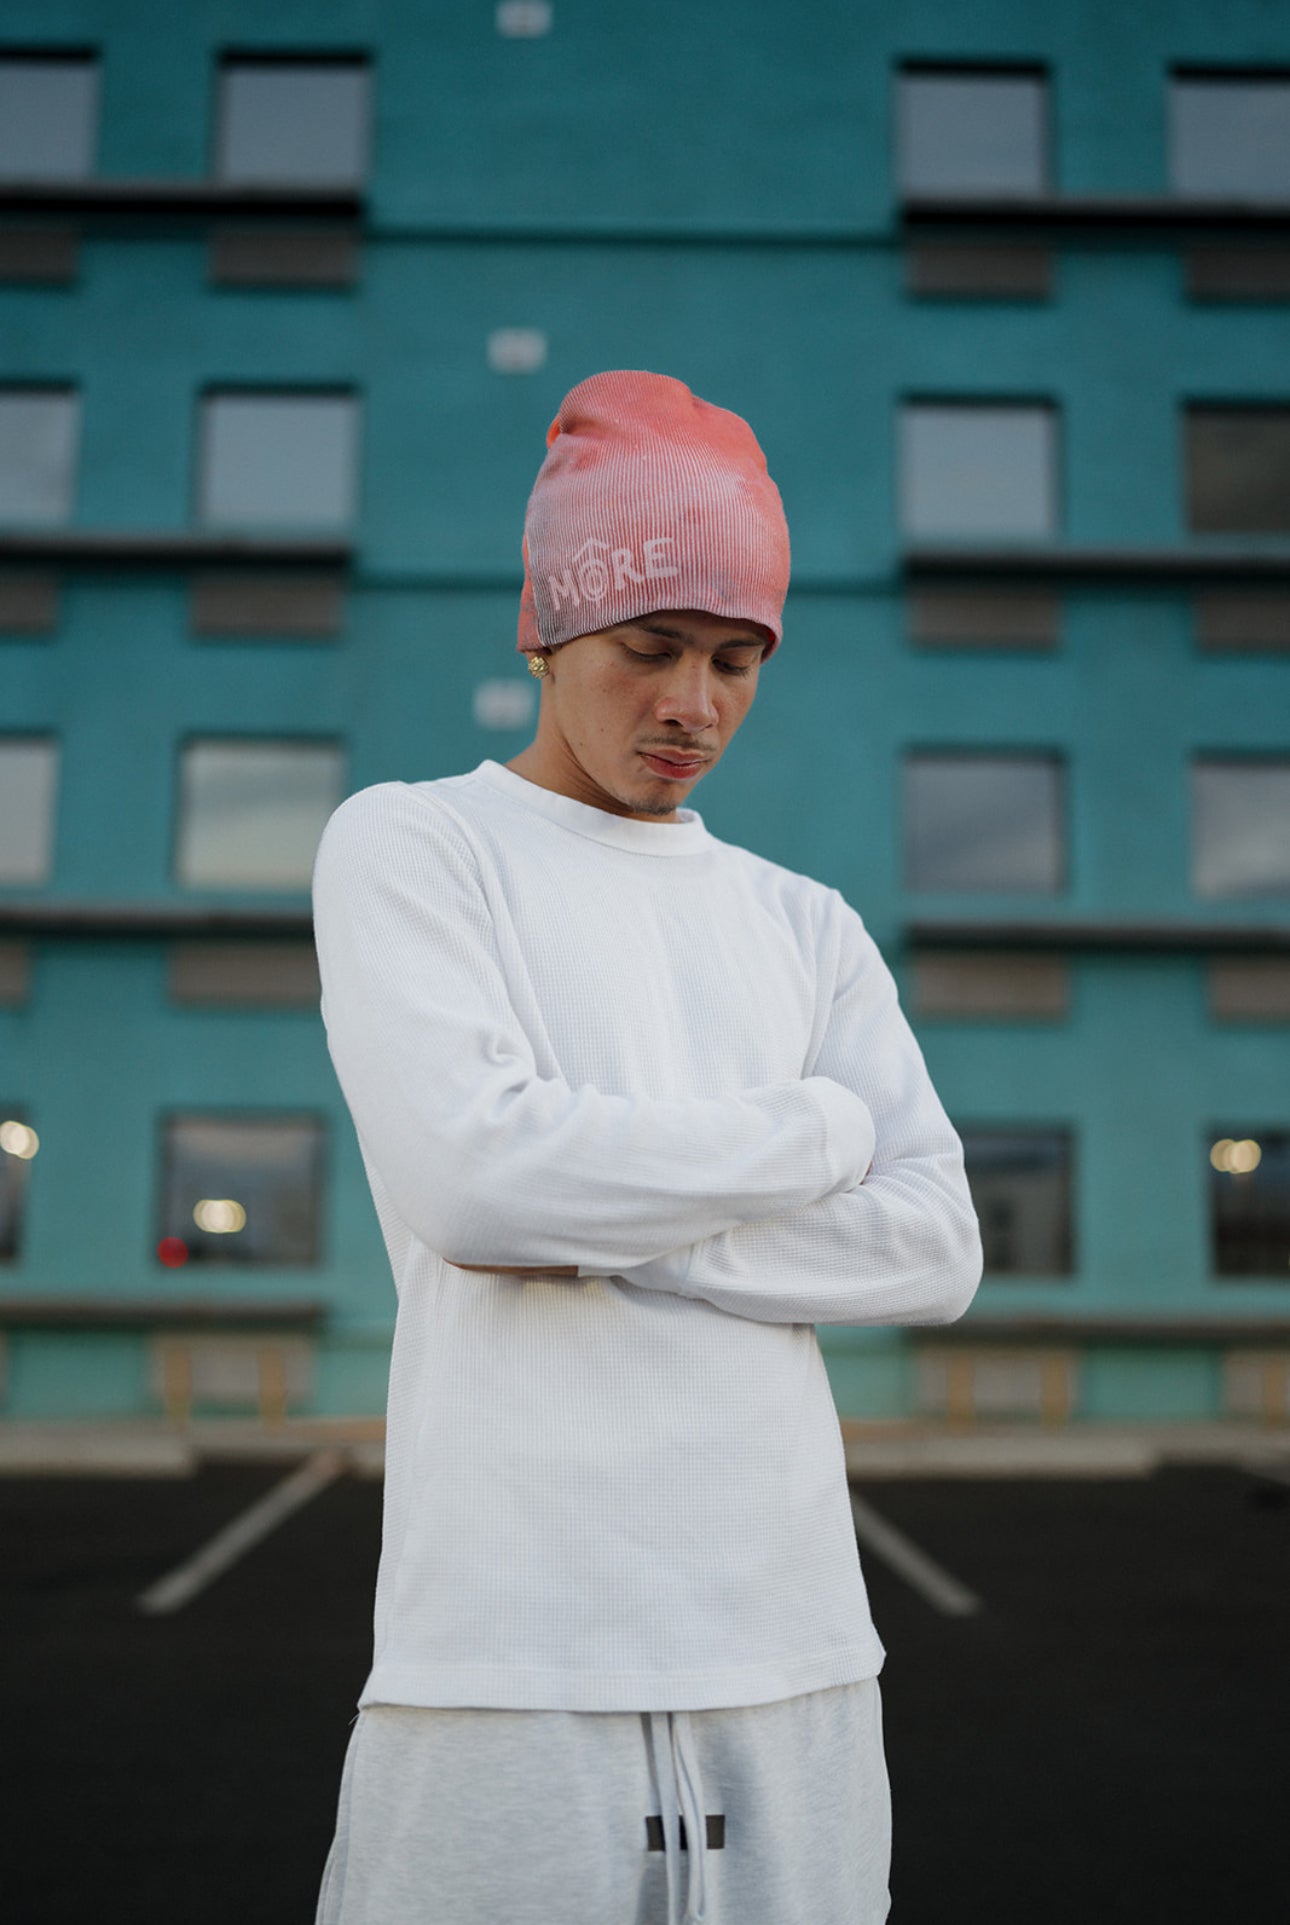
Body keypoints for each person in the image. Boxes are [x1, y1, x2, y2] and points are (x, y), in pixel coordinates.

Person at [310, 369, 982, 1925]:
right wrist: (817, 1129)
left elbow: (934, 1243)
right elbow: (477, 1182)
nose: (694, 704)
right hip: (502, 1662)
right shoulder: (415, 843)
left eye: (736, 659)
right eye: (650, 646)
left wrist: (599, 1226)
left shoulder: (803, 924)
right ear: (544, 630)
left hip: (795, 1655)